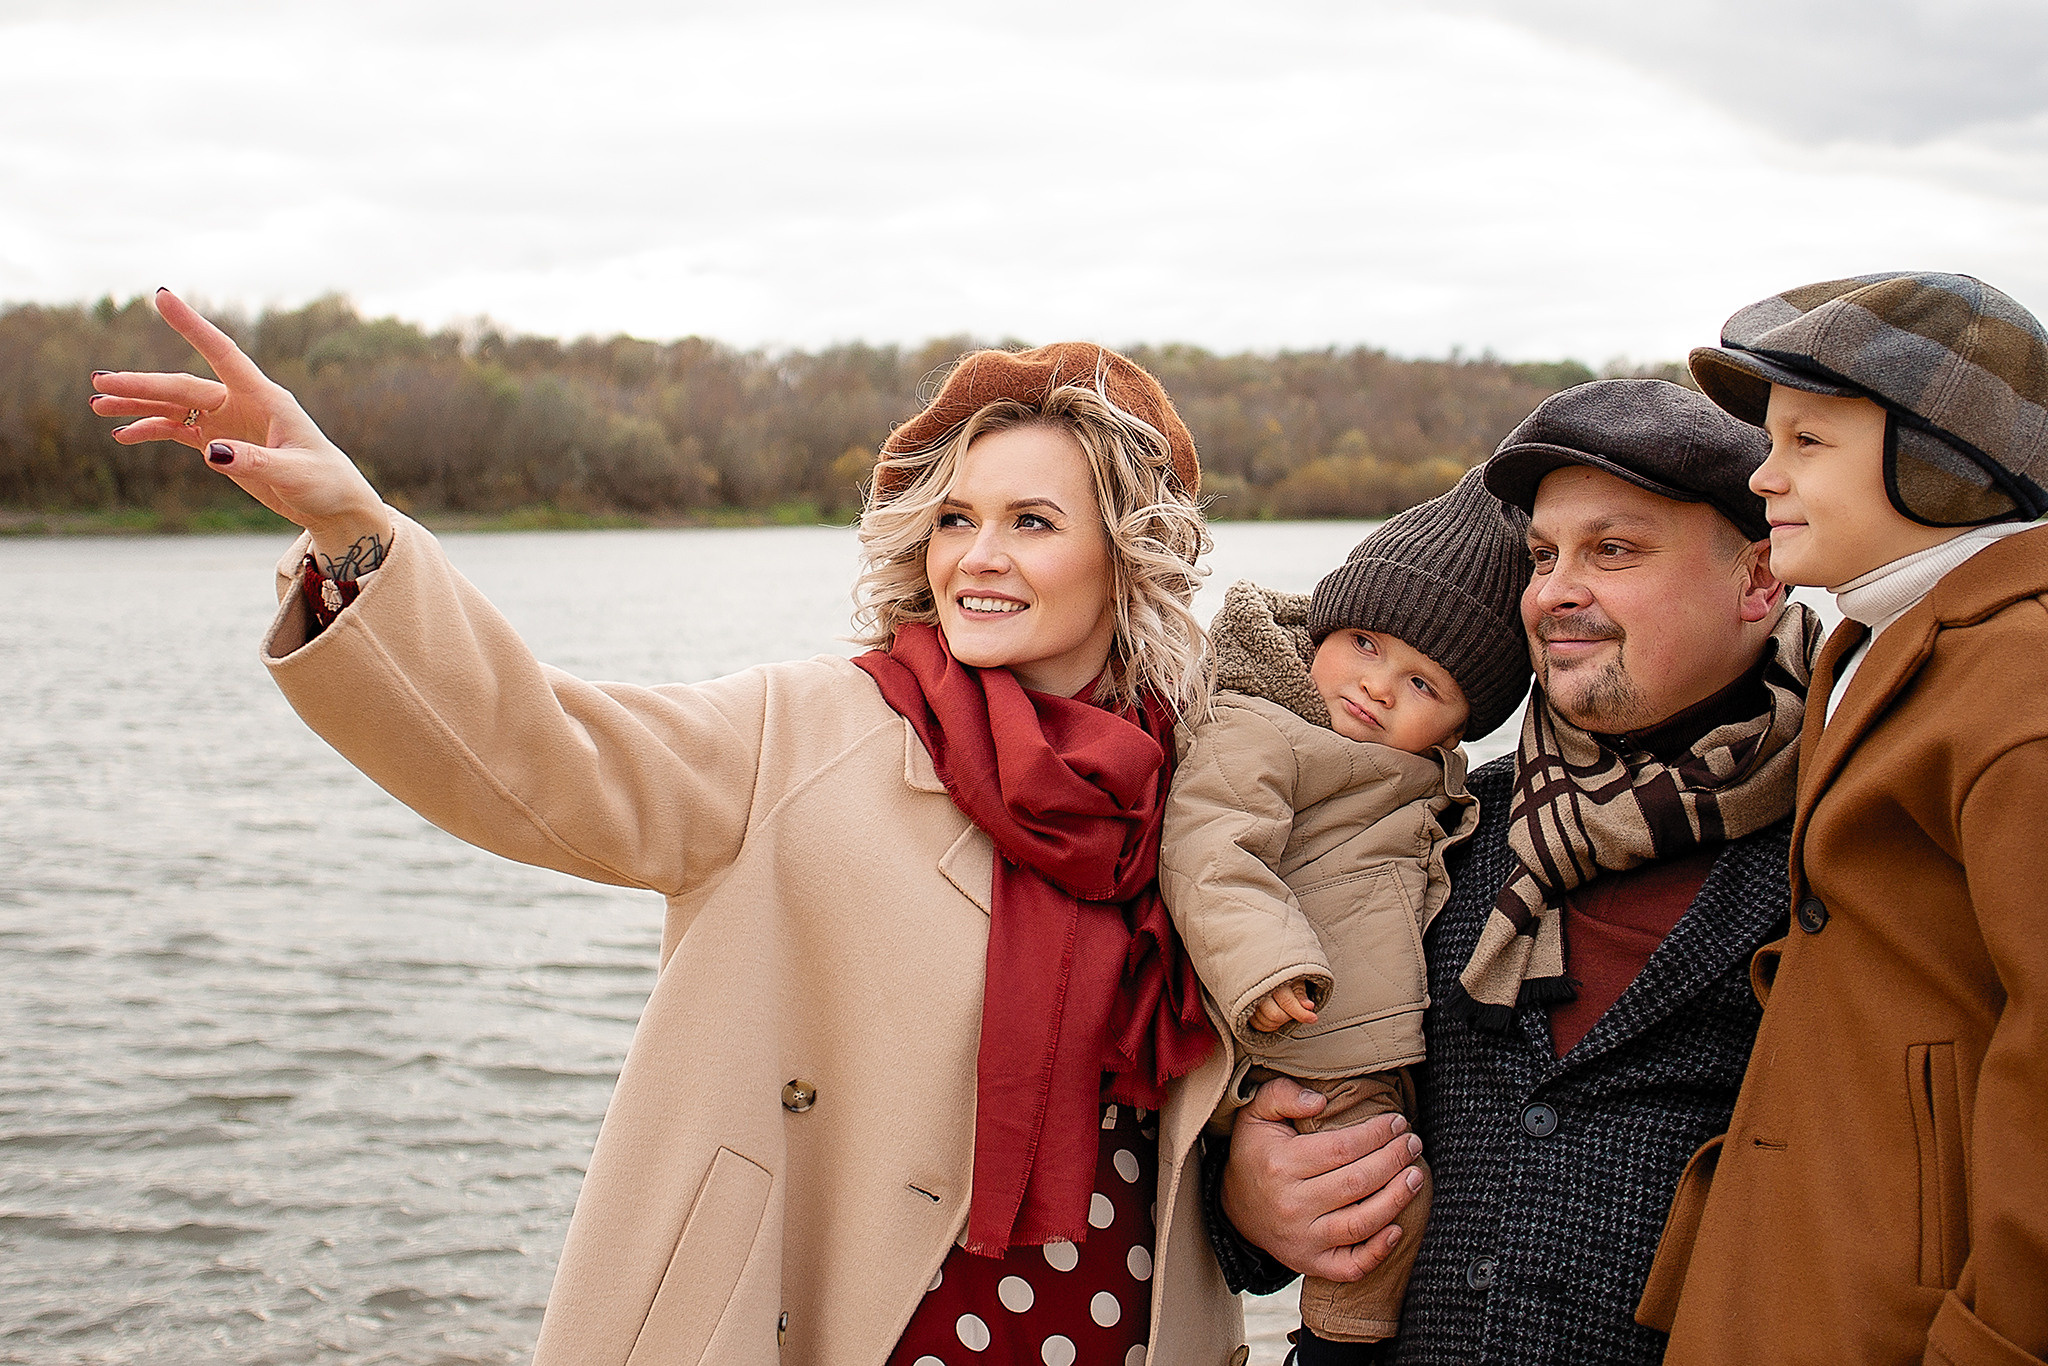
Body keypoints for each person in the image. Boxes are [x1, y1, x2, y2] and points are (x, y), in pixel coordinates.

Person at [89, 290, 1254, 1366]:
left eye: (1032, 521)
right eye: (955, 517)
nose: (977, 557)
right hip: (844, 1325)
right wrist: (354, 526)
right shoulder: (809, 730)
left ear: (1126, 555)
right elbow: (534, 747)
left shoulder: (1203, 791)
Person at [1206, 379, 1824, 1365]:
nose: (1552, 589)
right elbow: (1294, 1067)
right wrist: (1245, 1187)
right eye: (1542, 556)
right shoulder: (1440, 819)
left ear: (1757, 579)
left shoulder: (1841, 840)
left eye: (1610, 550)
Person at [1641, 272, 2048, 1365]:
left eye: (1807, 441)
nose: (1762, 474)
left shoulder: (2020, 681)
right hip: (1813, 1276)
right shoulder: (1869, 642)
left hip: (1919, 1320)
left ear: (1941, 462)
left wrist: (1995, 1342)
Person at [1159, 467, 1532, 1346]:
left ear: (1459, 728)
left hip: (1358, 1035)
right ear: (1325, 620)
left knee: (1388, 1198)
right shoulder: (1260, 727)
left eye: (1422, 685)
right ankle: (1341, 1344)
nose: (1376, 686)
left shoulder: (1428, 778)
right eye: (1365, 643)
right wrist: (1269, 964)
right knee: (1380, 1208)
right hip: (1296, 1027)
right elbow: (1211, 848)